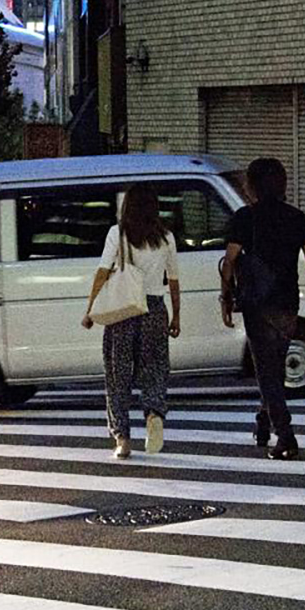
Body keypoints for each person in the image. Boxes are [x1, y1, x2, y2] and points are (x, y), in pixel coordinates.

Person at [221, 158, 305, 461]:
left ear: (252, 185)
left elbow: (230, 259)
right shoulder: (298, 218)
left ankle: (285, 436)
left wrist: (225, 297)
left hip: (257, 304)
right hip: (287, 302)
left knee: (267, 370)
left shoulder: (244, 218)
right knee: (273, 366)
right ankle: (263, 421)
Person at [82, 183, 181, 459]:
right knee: (155, 368)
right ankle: (153, 414)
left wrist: (90, 310)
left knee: (117, 376)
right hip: (154, 309)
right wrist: (176, 317)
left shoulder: (118, 233)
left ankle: (122, 439)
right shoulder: (166, 237)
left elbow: (102, 272)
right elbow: (173, 280)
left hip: (123, 310)